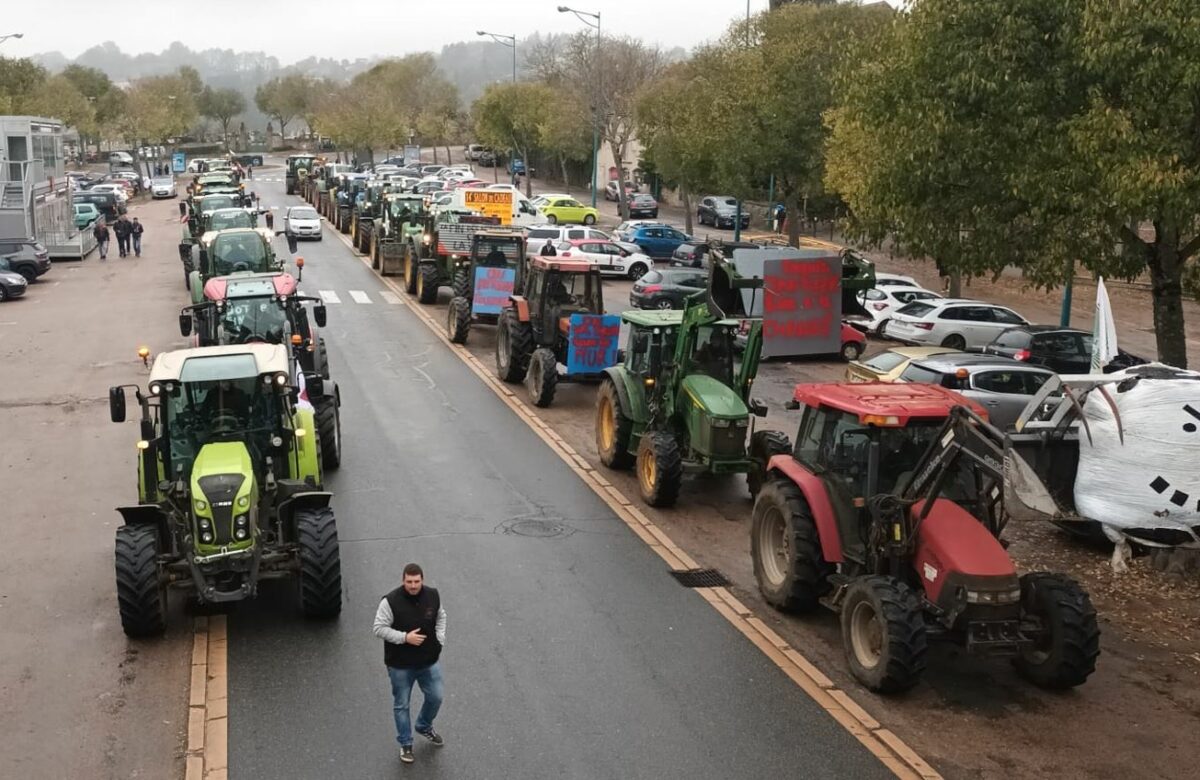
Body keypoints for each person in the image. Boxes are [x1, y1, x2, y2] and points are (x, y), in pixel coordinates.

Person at [373, 563, 446, 765]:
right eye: (409, 582)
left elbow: (441, 617)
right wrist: (405, 638)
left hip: (428, 662)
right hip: (400, 665)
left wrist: (439, 639)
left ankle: (424, 725)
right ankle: (405, 743)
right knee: (402, 705)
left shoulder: (432, 595)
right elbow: (378, 628)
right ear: (403, 580)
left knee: (436, 696)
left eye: (416, 581)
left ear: (422, 580)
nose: (413, 586)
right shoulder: (390, 602)